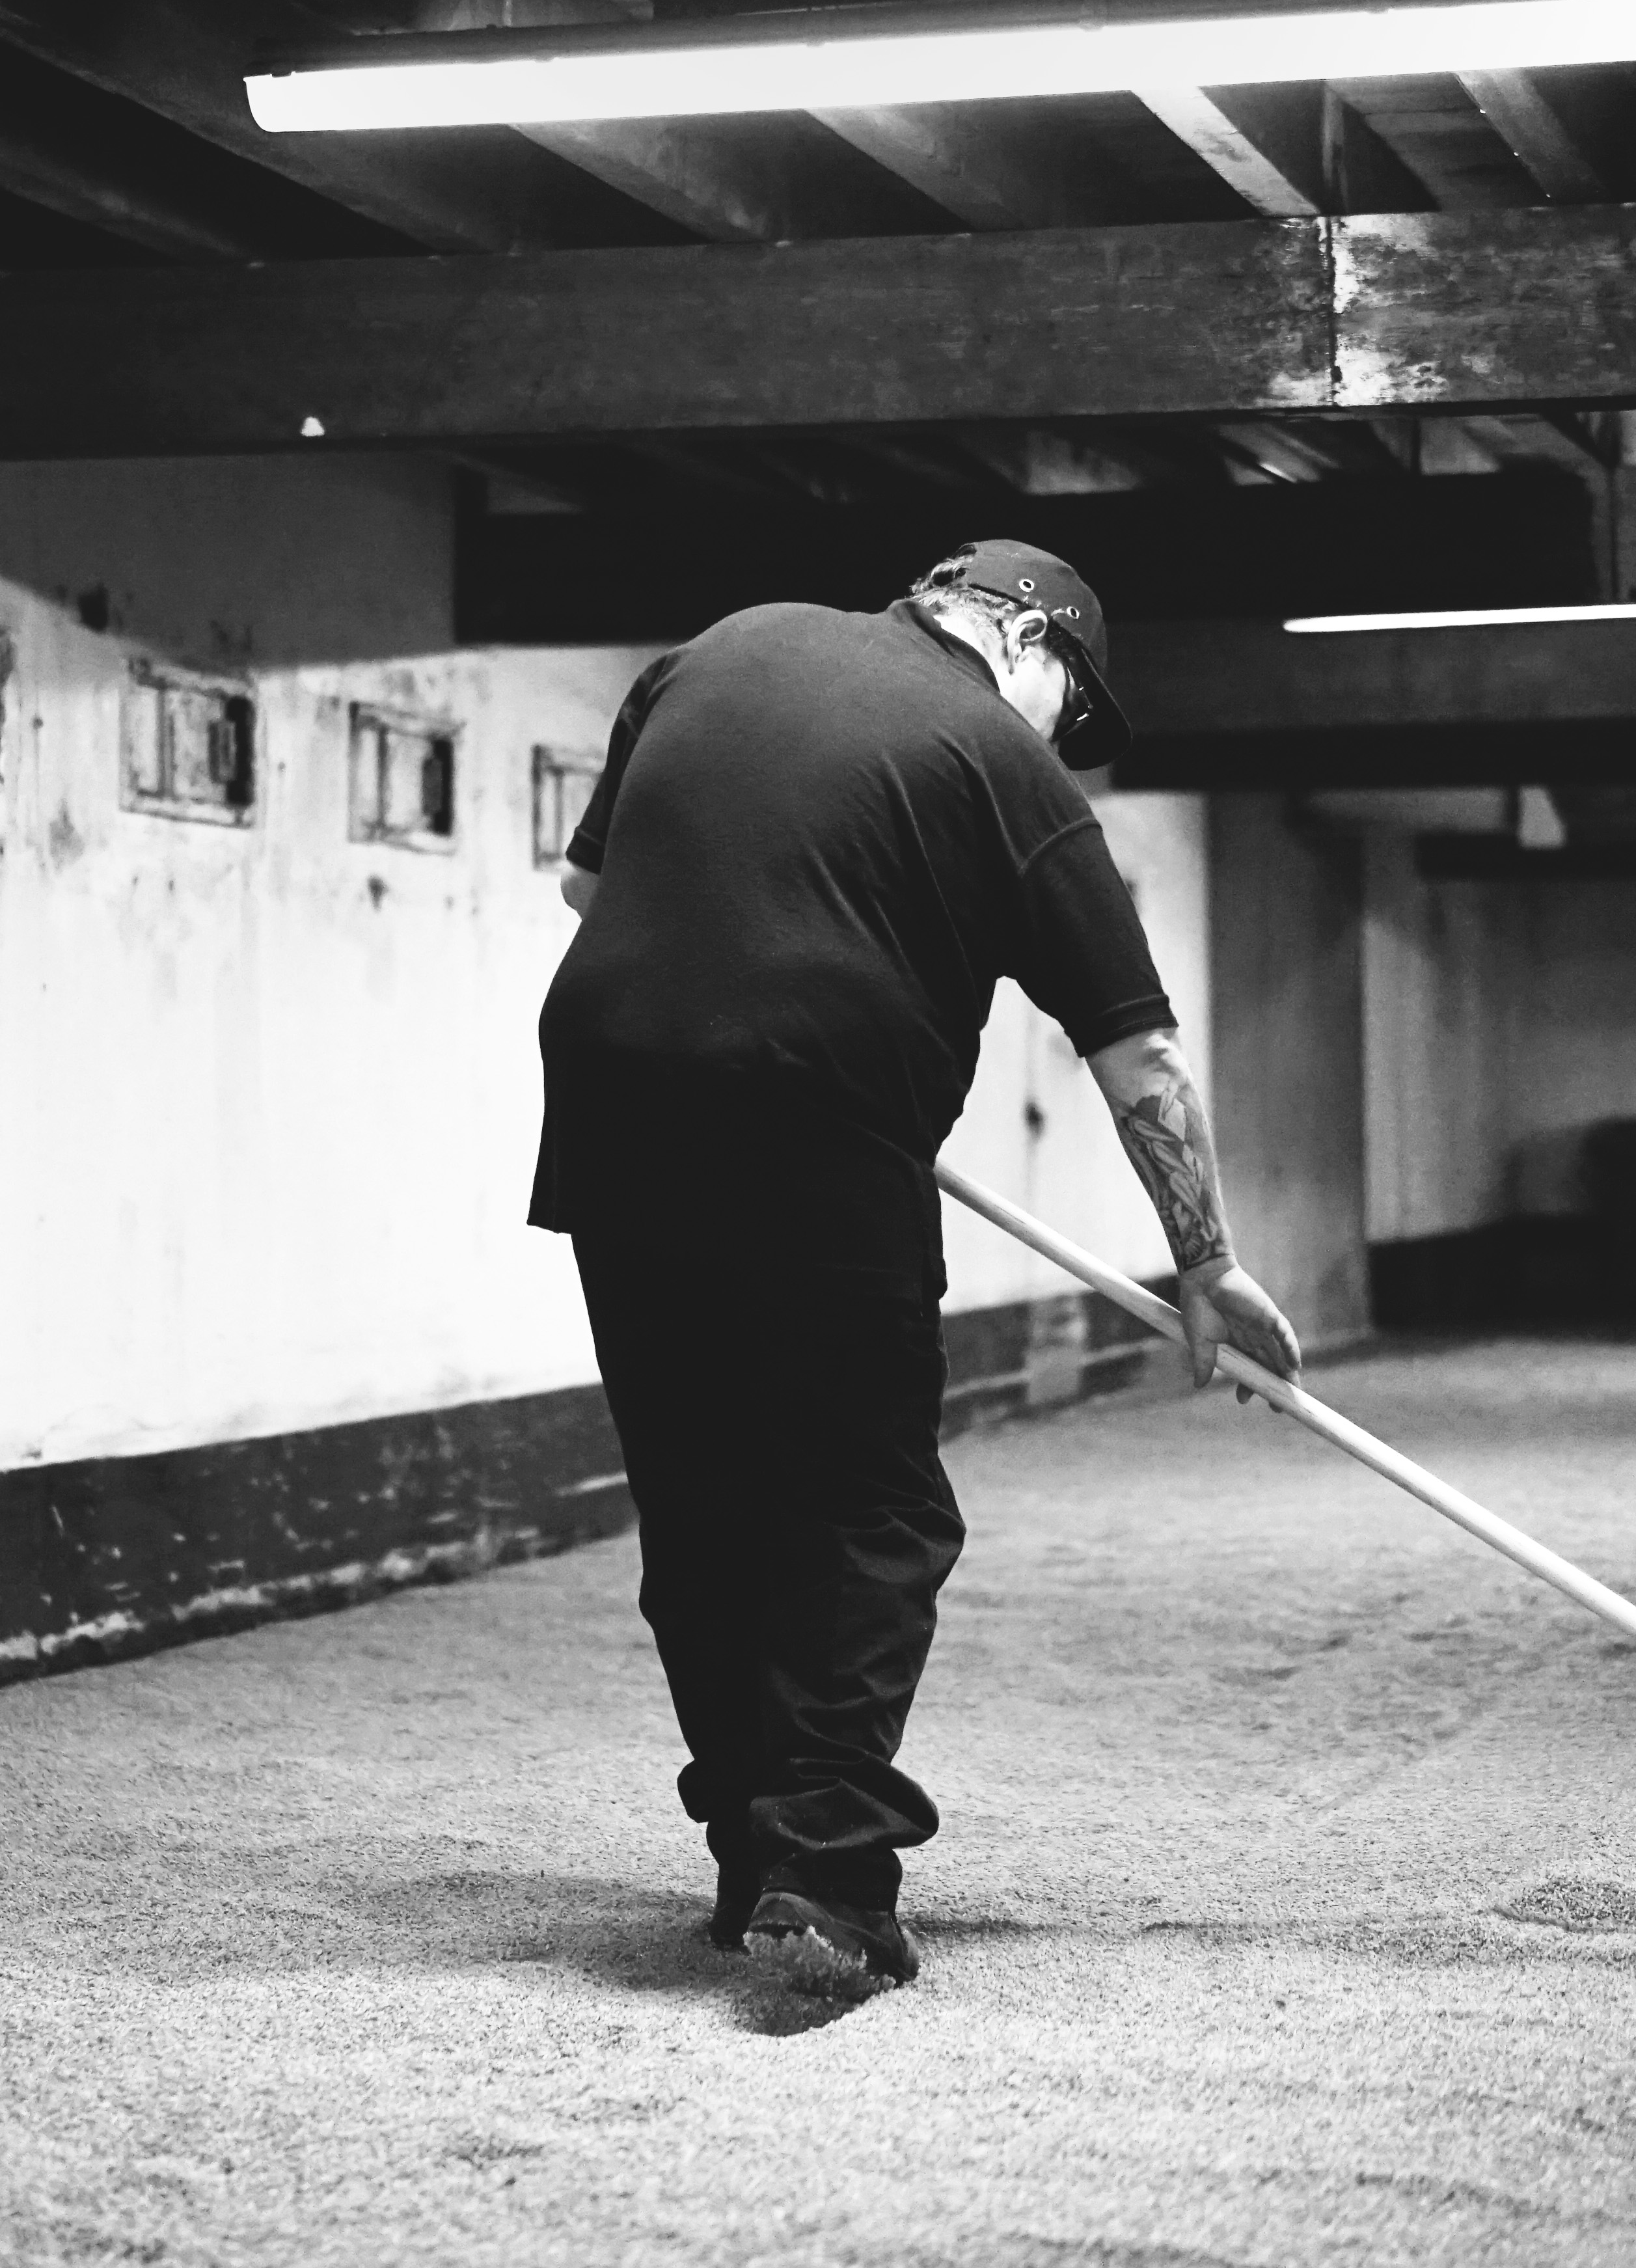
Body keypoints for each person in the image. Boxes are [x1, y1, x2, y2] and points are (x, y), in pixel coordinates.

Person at [530, 539, 1303, 1998]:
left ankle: (753, 1855)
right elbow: (1138, 1056)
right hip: (817, 1130)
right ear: (1031, 645)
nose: (1064, 740)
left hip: (613, 1107)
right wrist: (1207, 1263)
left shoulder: (718, 643)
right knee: (867, 1506)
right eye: (1074, 709)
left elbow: (589, 890)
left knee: (702, 1502)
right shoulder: (1004, 763)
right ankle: (827, 1869)